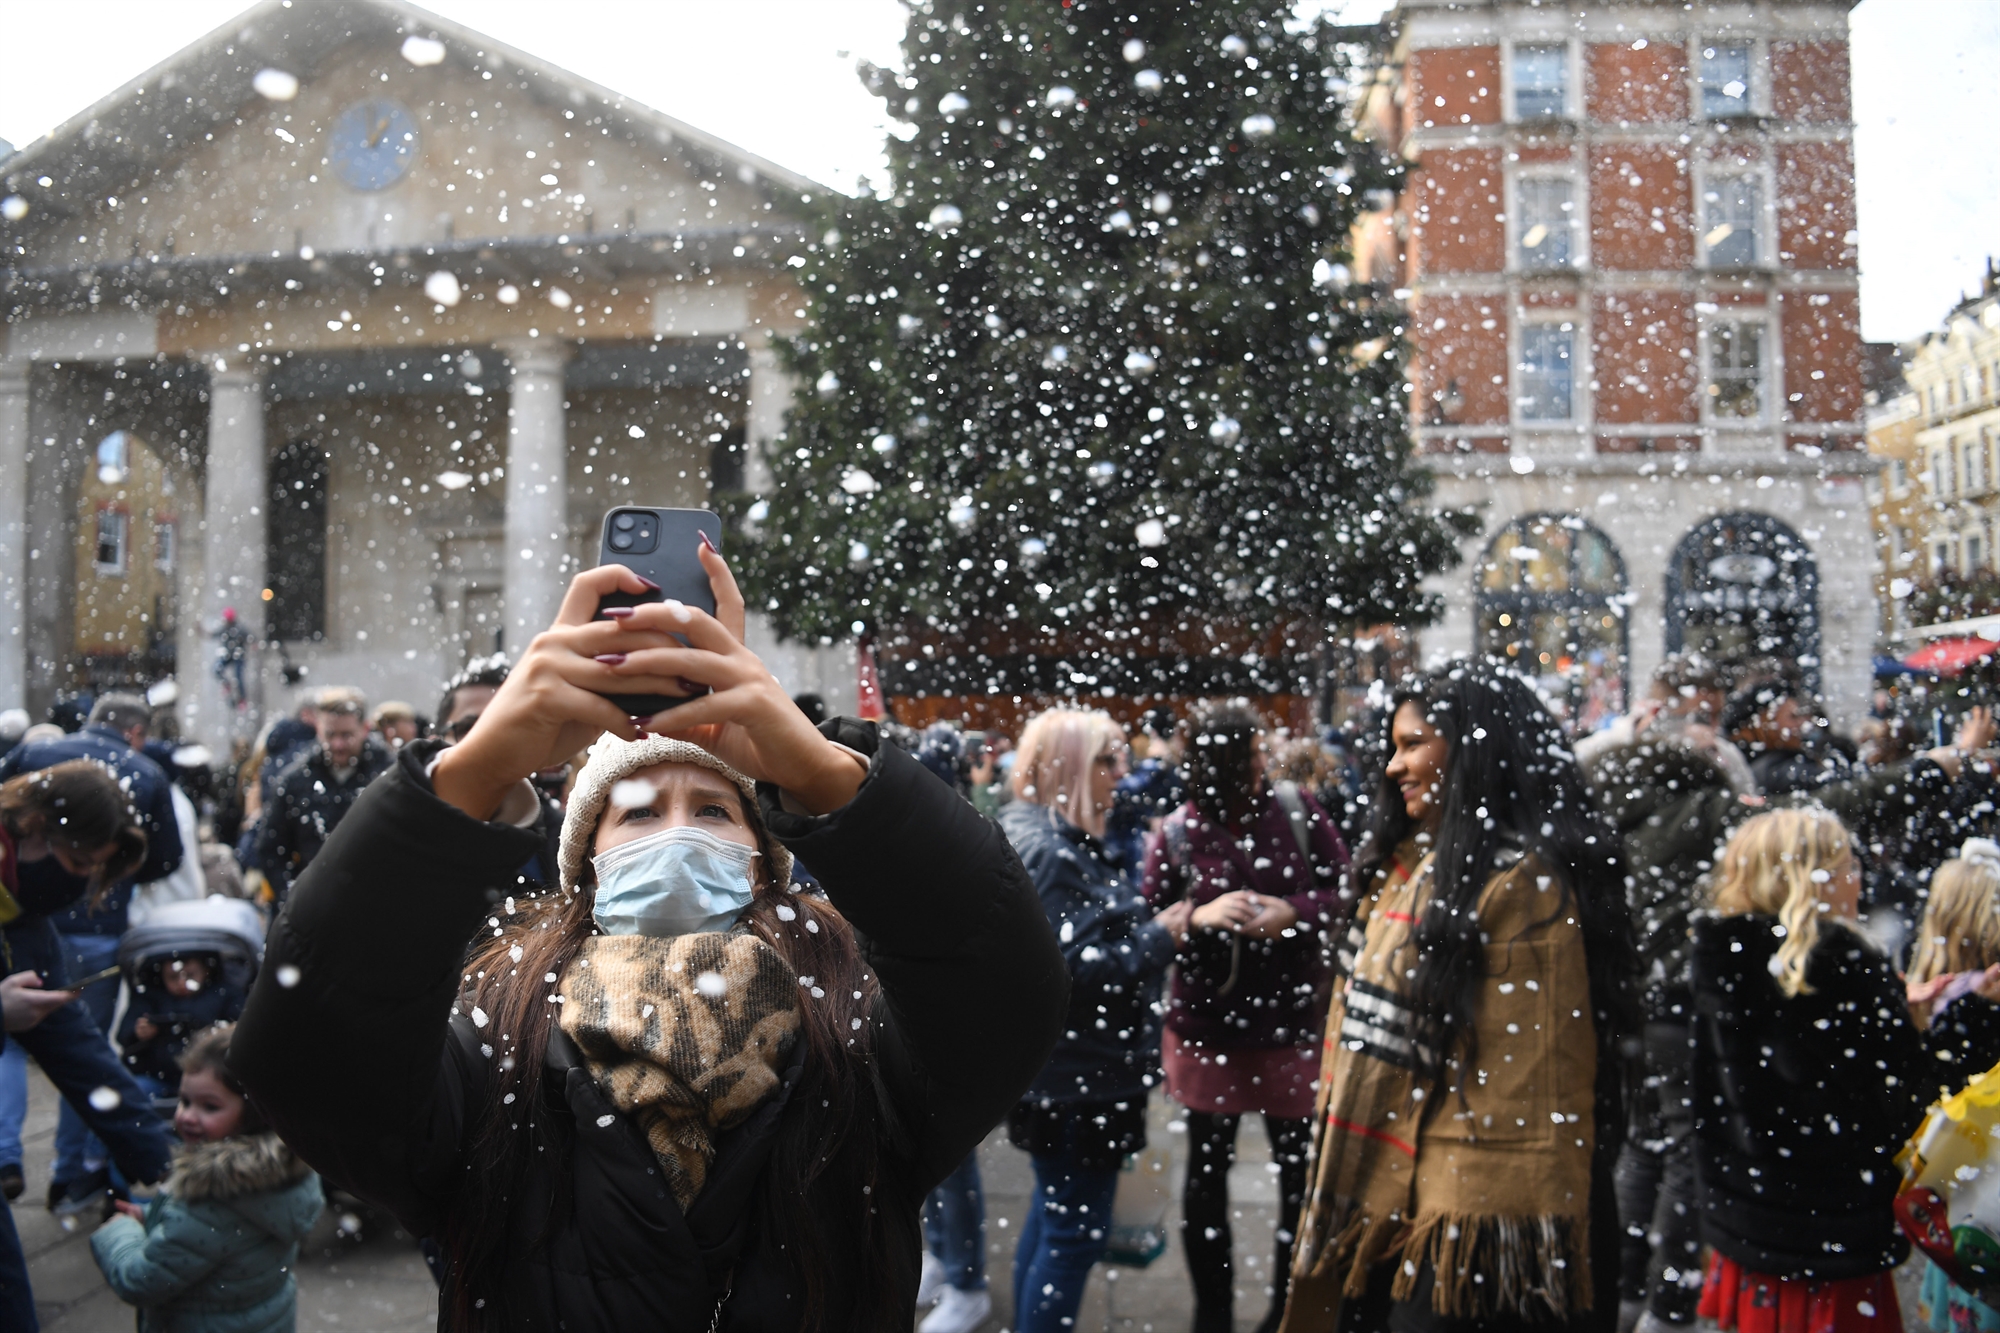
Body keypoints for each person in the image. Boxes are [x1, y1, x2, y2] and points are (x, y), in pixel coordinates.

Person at [231, 552, 1068, 1330]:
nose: (677, 834)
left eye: (712, 810)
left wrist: (812, 763)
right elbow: (309, 1058)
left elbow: (998, 981)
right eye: (637, 812)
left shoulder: (852, 1032)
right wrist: (474, 772)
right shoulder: (493, 1036)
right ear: (586, 864)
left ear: (763, 860)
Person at [1283, 664, 1637, 1333]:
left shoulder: (1521, 883)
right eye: (1394, 745)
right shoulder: (1412, 868)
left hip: (1478, 1235)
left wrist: (1440, 1228)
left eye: (1414, 743)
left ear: (1475, 748)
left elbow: (1515, 1097)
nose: (1395, 765)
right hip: (1416, 1205)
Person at [1689, 810, 2000, 1333]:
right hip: (1829, 1236)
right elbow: (1905, 1109)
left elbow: (1745, 1091)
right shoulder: (1843, 967)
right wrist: (1973, 1017)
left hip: (1750, 1227)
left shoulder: (1722, 957)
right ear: (1810, 881)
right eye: (1847, 866)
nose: (1859, 879)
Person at [1143, 701, 1349, 1333]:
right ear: (1221, 764)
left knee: (1299, 1179)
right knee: (1206, 1176)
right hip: (1208, 1031)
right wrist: (1199, 917)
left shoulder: (1295, 810)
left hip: (1291, 1025)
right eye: (1250, 754)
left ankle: (1287, 1312)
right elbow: (1147, 922)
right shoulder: (1176, 832)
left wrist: (1293, 911)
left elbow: (1344, 889)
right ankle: (1214, 1317)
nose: (1263, 763)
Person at [998, 707, 1192, 1333]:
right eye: (1109, 760)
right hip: (1082, 1080)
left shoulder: (1048, 835)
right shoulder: (1051, 849)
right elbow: (1069, 975)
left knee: (1056, 1220)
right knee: (1075, 1234)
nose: (1122, 774)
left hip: (1071, 1076)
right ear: (1070, 768)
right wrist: (1158, 937)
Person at [0, 694, 185, 1212]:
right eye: (78, 862)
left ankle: (52, 1169)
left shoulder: (28, 918)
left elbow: (80, 1055)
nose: (80, 884)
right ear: (35, 826)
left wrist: (173, 1174)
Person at [91, 1023, 323, 1331]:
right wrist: (150, 1218)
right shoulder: (286, 1170)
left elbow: (140, 1281)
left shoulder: (211, 1196)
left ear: (255, 1114)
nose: (187, 1116)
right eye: (185, 1101)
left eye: (209, 1106)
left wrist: (118, 1234)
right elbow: (219, 1239)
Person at [253, 686, 392, 905]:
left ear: (365, 729)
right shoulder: (296, 779)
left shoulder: (389, 775)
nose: (337, 744)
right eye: (330, 735)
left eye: (346, 735)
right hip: (314, 904)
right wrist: (291, 898)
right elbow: (270, 848)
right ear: (318, 729)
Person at [1105, 706, 1185, 876]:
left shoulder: (1139, 750)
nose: (1120, 770)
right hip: (1134, 841)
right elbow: (1127, 792)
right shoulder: (1156, 759)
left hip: (1144, 837)